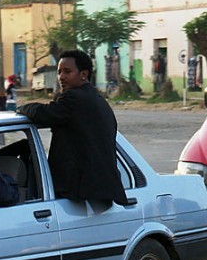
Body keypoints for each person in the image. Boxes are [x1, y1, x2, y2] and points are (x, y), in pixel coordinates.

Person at [18, 49, 127, 206]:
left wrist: (21, 108)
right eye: (59, 72)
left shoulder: (74, 98)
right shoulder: (98, 100)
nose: (61, 77)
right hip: (99, 192)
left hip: (80, 193)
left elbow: (46, 114)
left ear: (83, 74)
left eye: (67, 72)